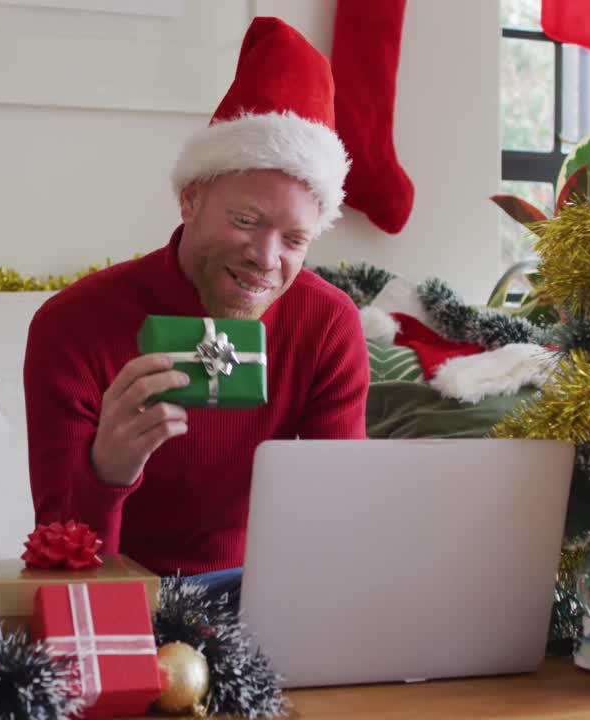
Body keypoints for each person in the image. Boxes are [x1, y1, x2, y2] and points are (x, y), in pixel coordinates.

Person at [23, 17, 369, 597]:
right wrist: (107, 470)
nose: (265, 258)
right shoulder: (73, 326)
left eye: (293, 240)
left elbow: (344, 524)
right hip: (120, 599)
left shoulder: (328, 324)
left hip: (267, 600)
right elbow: (61, 567)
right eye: (245, 221)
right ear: (191, 200)